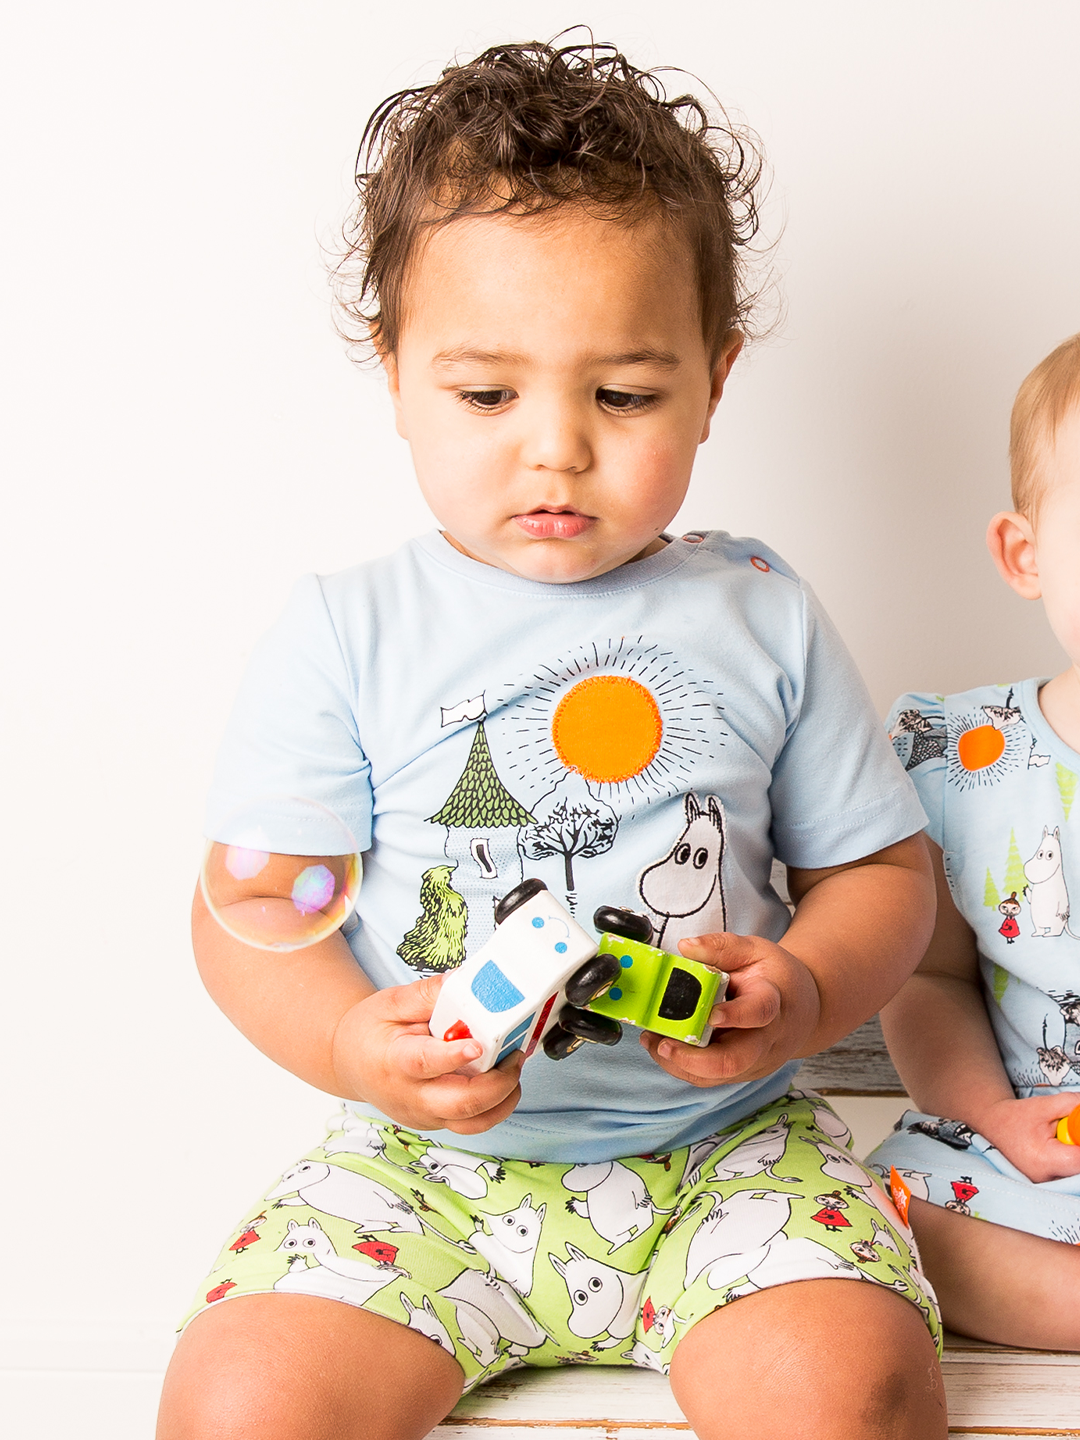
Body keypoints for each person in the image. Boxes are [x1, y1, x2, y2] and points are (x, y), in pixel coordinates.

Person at [156, 39, 946, 1440]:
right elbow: (251, 916)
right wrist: (350, 1043)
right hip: (420, 1171)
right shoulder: (350, 629)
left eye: (624, 396)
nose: (557, 449)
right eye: (487, 395)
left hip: (728, 1155)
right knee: (240, 1403)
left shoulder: (761, 612)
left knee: (849, 1390)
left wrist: (810, 990)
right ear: (396, 374)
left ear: (715, 378)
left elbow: (884, 876)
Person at [866, 333, 1080, 1350]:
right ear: (1025, 555)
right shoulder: (963, 757)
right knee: (897, 1215)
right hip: (1033, 1142)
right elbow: (931, 979)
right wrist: (992, 1116)